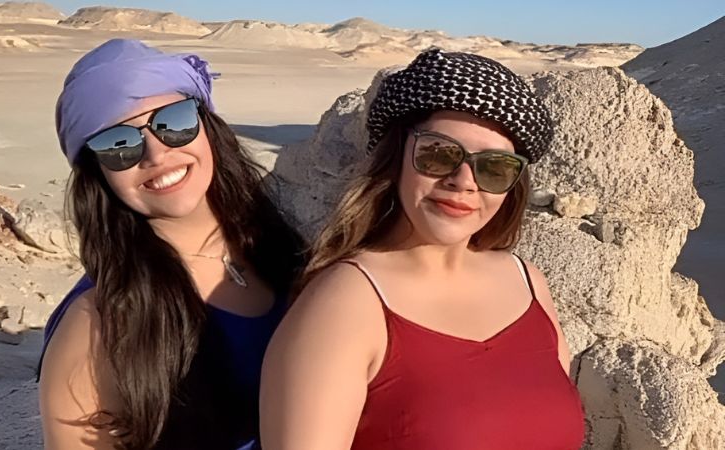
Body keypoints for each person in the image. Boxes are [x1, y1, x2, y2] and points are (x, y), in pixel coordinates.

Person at [260, 48, 585, 449]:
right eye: (439, 154)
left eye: (495, 167)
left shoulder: (528, 283)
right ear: (396, 157)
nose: (464, 181)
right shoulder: (344, 304)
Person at [38, 39, 304, 450]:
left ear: (208, 126)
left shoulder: (281, 250)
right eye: (119, 145)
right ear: (98, 172)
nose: (156, 153)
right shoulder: (99, 326)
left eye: (174, 121)